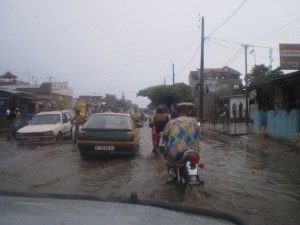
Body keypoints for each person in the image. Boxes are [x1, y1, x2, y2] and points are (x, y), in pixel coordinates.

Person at [162, 103, 200, 180]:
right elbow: (198, 134)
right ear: (188, 111)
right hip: (193, 150)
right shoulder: (194, 121)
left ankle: (171, 173)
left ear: (176, 111)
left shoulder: (171, 122)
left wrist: (163, 139)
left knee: (168, 156)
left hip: (175, 151)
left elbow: (164, 135)